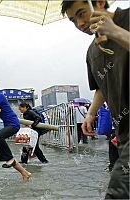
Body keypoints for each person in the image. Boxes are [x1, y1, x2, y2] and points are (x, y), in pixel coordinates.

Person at [61, 0, 129, 198]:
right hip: (123, 132)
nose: (80, 24)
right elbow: (101, 86)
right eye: (73, 20)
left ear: (99, 2)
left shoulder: (127, 19)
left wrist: (115, 31)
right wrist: (91, 113)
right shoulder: (92, 52)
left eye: (81, 14)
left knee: (117, 193)